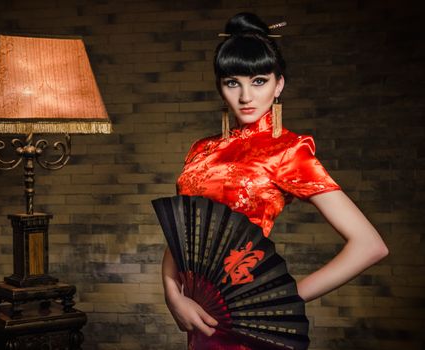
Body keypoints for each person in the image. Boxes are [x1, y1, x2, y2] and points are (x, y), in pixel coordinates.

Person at [161, 12, 389, 350]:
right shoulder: (201, 149)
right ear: (220, 87)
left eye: (258, 81)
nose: (245, 96)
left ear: (278, 84)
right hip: (195, 312)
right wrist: (171, 295)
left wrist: (280, 299)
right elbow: (183, 233)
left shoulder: (287, 151)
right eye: (232, 82)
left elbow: (370, 245)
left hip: (244, 313)